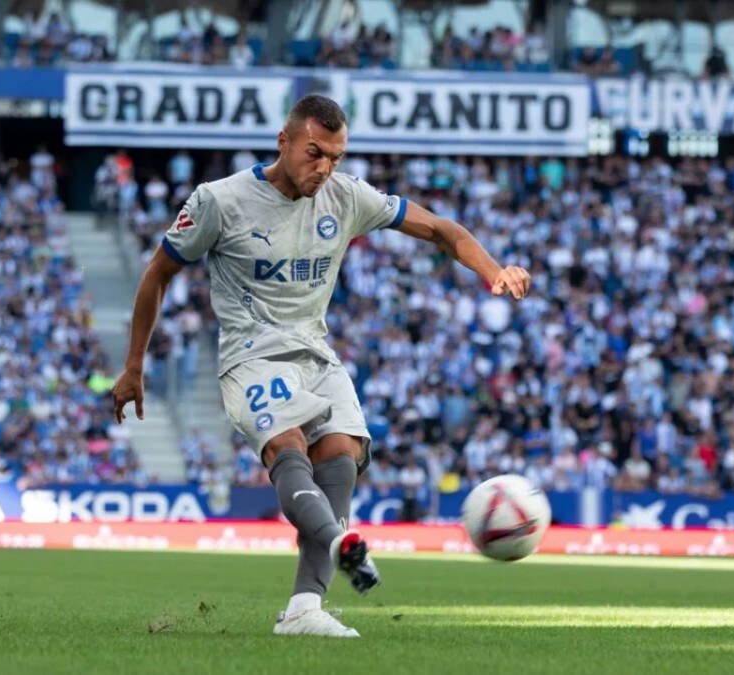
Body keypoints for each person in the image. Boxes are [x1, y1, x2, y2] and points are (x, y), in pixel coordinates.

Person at [111, 95, 531, 638]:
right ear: (283, 142)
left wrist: (491, 270)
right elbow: (157, 274)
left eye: (335, 155)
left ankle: (304, 609)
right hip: (252, 357)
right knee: (289, 450)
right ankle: (339, 544)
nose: (324, 167)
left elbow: (439, 229)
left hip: (316, 352)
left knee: (343, 455)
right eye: (315, 153)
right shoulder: (220, 201)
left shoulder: (345, 195)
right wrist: (134, 366)